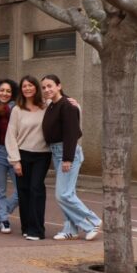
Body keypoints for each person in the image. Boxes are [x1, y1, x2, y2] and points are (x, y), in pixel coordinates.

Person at [42, 75, 102, 241]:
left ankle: (92, 221)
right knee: (67, 193)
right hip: (57, 152)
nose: (47, 90)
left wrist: (67, 159)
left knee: (63, 195)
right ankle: (71, 230)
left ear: (59, 86)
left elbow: (71, 133)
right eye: (44, 87)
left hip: (67, 153)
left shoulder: (67, 105)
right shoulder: (53, 105)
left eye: (50, 86)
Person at [6, 76, 51, 241]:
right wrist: (15, 161)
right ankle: (26, 227)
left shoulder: (46, 106)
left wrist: (73, 102)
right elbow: (11, 135)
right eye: (24, 86)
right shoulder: (17, 109)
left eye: (30, 85)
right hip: (22, 154)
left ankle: (38, 229)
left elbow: (60, 100)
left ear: (36, 88)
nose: (27, 89)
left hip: (42, 154)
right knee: (23, 191)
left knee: (36, 189)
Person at [0, 79, 20, 234]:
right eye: (2, 90)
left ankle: (2, 210)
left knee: (22, 189)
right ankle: (3, 220)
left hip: (16, 152)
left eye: (8, 91)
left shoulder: (19, 107)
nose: (5, 93)